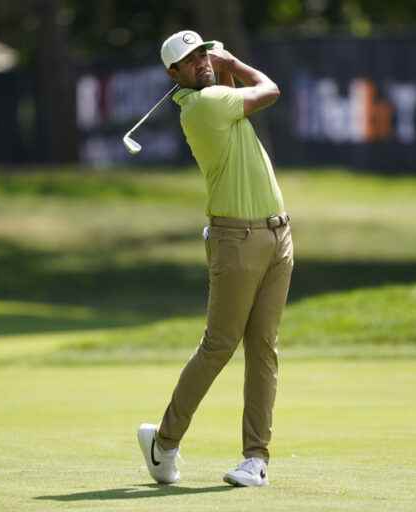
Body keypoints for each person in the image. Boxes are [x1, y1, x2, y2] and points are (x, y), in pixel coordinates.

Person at [137, 30, 293, 488]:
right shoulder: (203, 106)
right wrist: (235, 61)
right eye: (191, 59)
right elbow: (270, 89)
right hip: (236, 239)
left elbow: (238, 93)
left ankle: (255, 459)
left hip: (278, 234)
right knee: (220, 345)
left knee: (263, 347)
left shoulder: (217, 97)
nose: (202, 61)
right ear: (175, 74)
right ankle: (163, 442)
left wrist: (221, 68)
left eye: (204, 52)